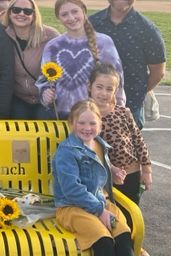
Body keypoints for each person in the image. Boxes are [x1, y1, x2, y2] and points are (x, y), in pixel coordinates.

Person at [52, 100, 134, 256]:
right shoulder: (67, 152)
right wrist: (100, 211)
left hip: (101, 203)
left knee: (123, 236)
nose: (87, 128)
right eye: (81, 123)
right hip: (72, 208)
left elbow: (97, 168)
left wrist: (113, 172)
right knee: (104, 241)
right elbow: (71, 189)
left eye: (92, 123)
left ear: (100, 124)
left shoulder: (98, 144)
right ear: (72, 123)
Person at [89, 0, 166, 128]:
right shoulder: (92, 24)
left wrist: (136, 93)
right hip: (93, 106)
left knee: (126, 152)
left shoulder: (147, 30)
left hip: (129, 108)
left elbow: (158, 72)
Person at [38, 0, 125, 119]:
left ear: (83, 11)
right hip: (62, 117)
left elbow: (117, 80)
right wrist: (45, 94)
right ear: (59, 18)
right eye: (64, 14)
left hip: (95, 118)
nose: (71, 18)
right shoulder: (52, 47)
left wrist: (118, 110)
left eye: (75, 11)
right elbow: (44, 80)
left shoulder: (104, 43)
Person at [89, 62, 152, 205]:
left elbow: (138, 141)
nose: (104, 93)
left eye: (109, 89)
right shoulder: (85, 116)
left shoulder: (123, 112)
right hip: (102, 176)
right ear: (89, 86)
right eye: (99, 87)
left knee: (130, 210)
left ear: (116, 90)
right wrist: (110, 168)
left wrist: (147, 170)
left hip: (131, 172)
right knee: (108, 213)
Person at [1, 0, 60, 119]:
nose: (21, 14)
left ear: (34, 15)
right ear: (10, 13)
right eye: (16, 10)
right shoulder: (3, 36)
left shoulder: (50, 36)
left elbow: (61, 69)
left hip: (45, 100)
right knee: (20, 135)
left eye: (27, 11)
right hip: (19, 99)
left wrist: (50, 92)